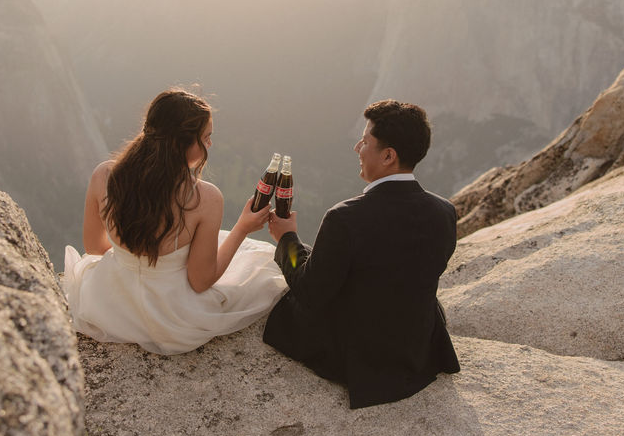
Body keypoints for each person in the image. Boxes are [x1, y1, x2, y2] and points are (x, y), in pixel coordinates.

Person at [263, 100, 460, 408]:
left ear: (388, 156)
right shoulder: (444, 211)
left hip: (362, 357)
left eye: (365, 141)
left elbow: (310, 292)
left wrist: (286, 238)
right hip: (417, 351)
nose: (357, 147)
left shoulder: (345, 217)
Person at [63, 88, 286, 354]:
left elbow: (94, 248)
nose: (210, 145)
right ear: (183, 144)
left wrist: (136, 257)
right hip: (171, 317)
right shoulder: (205, 198)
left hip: (107, 304)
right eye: (206, 138)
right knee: (262, 265)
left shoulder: (105, 175)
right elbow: (200, 281)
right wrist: (242, 228)